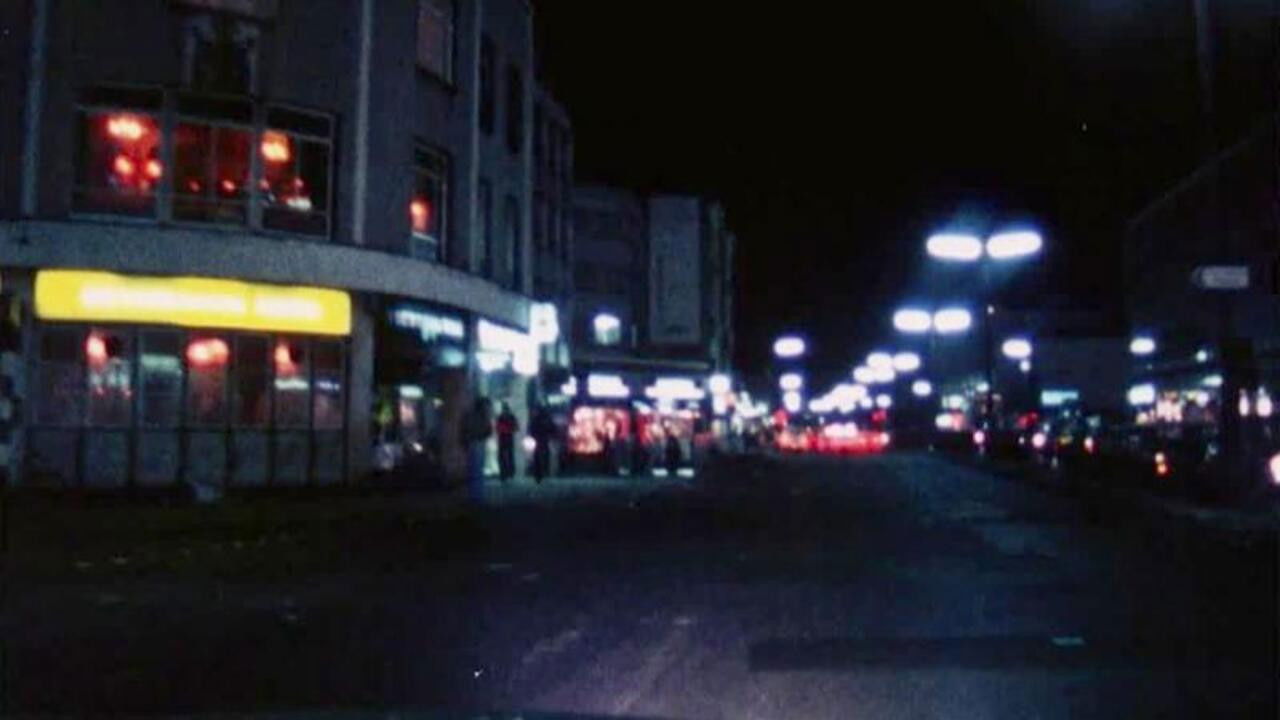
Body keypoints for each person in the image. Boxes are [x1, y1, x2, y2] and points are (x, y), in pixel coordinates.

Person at [463, 397, 492, 502]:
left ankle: (475, 494)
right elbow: (487, 430)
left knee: (474, 469)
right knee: (477, 469)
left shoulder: (470, 416)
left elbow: (465, 429)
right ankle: (477, 495)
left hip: (474, 443)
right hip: (477, 442)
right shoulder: (481, 417)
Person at [529, 404, 556, 484]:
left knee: (538, 457)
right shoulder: (546, 419)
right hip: (543, 440)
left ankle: (539, 474)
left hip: (539, 440)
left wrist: (533, 435)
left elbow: (532, 429)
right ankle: (544, 472)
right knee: (544, 456)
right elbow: (552, 429)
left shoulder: (536, 419)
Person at [495, 402, 519, 481]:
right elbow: (516, 427)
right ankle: (509, 473)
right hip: (508, 437)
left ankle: (505, 474)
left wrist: (504, 429)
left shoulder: (501, 417)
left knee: (504, 456)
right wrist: (509, 429)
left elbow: (497, 428)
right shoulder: (510, 416)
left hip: (504, 437)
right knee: (509, 456)